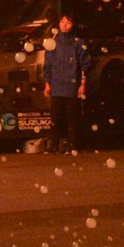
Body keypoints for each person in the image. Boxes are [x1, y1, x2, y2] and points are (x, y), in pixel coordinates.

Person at [42, 11, 90, 154]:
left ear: (73, 25)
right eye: (62, 22)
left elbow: (84, 65)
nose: (65, 25)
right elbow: (47, 65)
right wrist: (47, 83)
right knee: (55, 116)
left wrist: (82, 84)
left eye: (68, 22)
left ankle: (72, 145)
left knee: (72, 116)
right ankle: (53, 145)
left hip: (72, 85)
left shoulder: (79, 43)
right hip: (56, 84)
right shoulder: (53, 43)